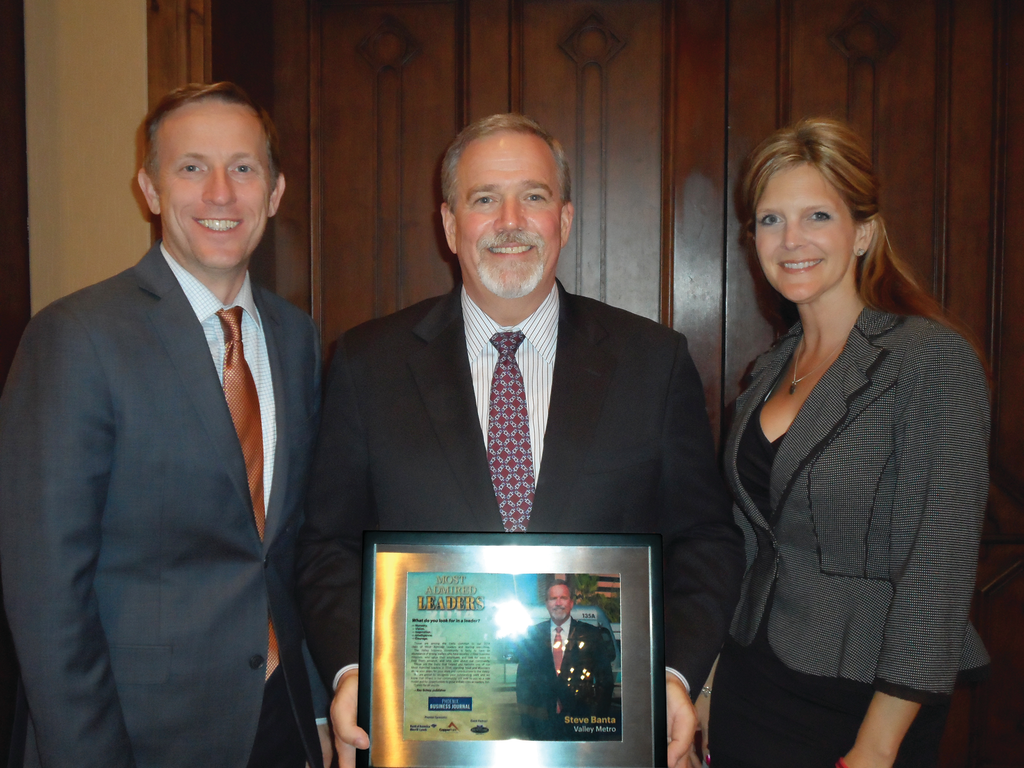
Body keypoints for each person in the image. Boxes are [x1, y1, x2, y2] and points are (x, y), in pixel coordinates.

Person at [296, 113, 745, 768]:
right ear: (450, 225)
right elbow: (326, 545)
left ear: (563, 218)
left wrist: (671, 677)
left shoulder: (652, 362)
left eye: (533, 196)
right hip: (425, 730)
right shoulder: (369, 363)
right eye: (484, 199)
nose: (510, 220)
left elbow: (706, 539)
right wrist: (349, 670)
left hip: (605, 732)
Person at [0, 82, 327, 768]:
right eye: (191, 168)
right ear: (149, 189)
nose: (219, 193)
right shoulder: (76, 337)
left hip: (278, 721)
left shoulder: (298, 340)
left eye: (243, 168)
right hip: (134, 737)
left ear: (274, 192)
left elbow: (285, 549)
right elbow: (45, 593)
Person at [699, 117, 990, 768]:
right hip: (753, 683)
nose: (791, 240)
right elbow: (746, 545)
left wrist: (878, 747)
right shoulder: (768, 371)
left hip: (864, 701)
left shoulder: (928, 359)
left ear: (864, 231)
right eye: (770, 221)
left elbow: (936, 573)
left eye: (817, 216)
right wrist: (709, 688)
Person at [514, 580, 615, 740]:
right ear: (547, 604)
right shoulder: (533, 634)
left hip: (581, 724)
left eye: (563, 598)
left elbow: (605, 681)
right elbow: (523, 682)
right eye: (553, 598)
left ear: (571, 603)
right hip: (542, 726)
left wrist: (596, 720)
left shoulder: (591, 635)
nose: (558, 603)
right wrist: (527, 722)